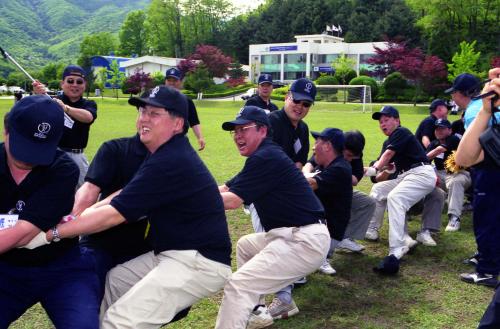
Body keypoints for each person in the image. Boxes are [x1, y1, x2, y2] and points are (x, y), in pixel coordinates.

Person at [28, 85, 233, 328]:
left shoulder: (171, 160)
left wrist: (49, 234)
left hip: (199, 262)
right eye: (142, 111)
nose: (144, 118)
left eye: (155, 114)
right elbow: (117, 198)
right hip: (172, 254)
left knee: (121, 321)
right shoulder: (161, 154)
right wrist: (70, 219)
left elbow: (113, 215)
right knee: (115, 281)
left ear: (178, 124)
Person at [215, 106, 329, 329]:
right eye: (234, 131)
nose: (237, 136)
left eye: (243, 129)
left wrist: (184, 200)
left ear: (263, 131)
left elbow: (232, 201)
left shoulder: (266, 157)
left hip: (305, 240)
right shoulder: (264, 155)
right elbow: (225, 189)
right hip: (292, 234)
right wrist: (188, 192)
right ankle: (258, 311)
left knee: (238, 285)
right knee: (246, 245)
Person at [0, 96, 100, 328]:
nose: (28, 159)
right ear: (7, 131)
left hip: (62, 268)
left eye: (39, 149)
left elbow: (23, 233)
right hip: (6, 270)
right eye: (24, 146)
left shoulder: (63, 169)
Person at [365, 106, 436, 259]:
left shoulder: (401, 132)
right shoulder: (389, 141)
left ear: (397, 120)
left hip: (421, 173)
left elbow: (386, 156)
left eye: (386, 120)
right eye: (380, 122)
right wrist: (373, 171)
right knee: (378, 189)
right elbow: (381, 173)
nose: (383, 124)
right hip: (407, 176)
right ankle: (372, 229)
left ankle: (399, 245)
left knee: (395, 198)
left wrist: (373, 169)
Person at [455, 68, 500, 289]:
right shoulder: (481, 109)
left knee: (486, 220)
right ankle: (487, 258)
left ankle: (487, 269)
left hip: (489, 170)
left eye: (454, 92)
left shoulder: (477, 111)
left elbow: (466, 156)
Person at [303, 130, 376, 252]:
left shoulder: (344, 164)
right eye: (347, 155)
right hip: (323, 188)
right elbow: (310, 163)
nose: (349, 159)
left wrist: (338, 176)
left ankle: (341, 240)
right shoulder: (329, 153)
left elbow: (355, 180)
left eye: (353, 157)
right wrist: (307, 174)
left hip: (335, 189)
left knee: (367, 202)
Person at [32, 65, 97, 187]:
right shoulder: (52, 100)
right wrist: (38, 96)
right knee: (49, 190)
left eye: (79, 82)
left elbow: (88, 117)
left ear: (85, 85)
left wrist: (65, 108)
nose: (75, 85)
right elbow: (35, 114)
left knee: (82, 194)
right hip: (53, 153)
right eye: (70, 81)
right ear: (62, 83)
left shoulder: (89, 104)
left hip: (77, 156)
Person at [426, 118, 471, 232]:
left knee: (455, 182)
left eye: (442, 129)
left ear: (450, 130)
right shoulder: (433, 143)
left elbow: (438, 151)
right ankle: (415, 208)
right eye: (437, 129)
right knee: (422, 176)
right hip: (441, 174)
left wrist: (422, 158)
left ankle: (454, 218)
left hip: (460, 173)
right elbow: (424, 163)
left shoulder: (453, 139)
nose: (438, 131)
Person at [269, 77, 316, 169]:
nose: (300, 106)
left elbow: (301, 161)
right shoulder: (270, 122)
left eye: (306, 104)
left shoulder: (303, 128)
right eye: (296, 100)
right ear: (286, 97)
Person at [164, 67, 206, 150]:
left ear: (180, 82)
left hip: (180, 140)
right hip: (160, 140)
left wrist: (200, 137)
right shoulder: (157, 98)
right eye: (169, 80)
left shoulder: (186, 101)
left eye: (175, 80)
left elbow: (194, 121)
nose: (171, 83)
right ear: (165, 82)